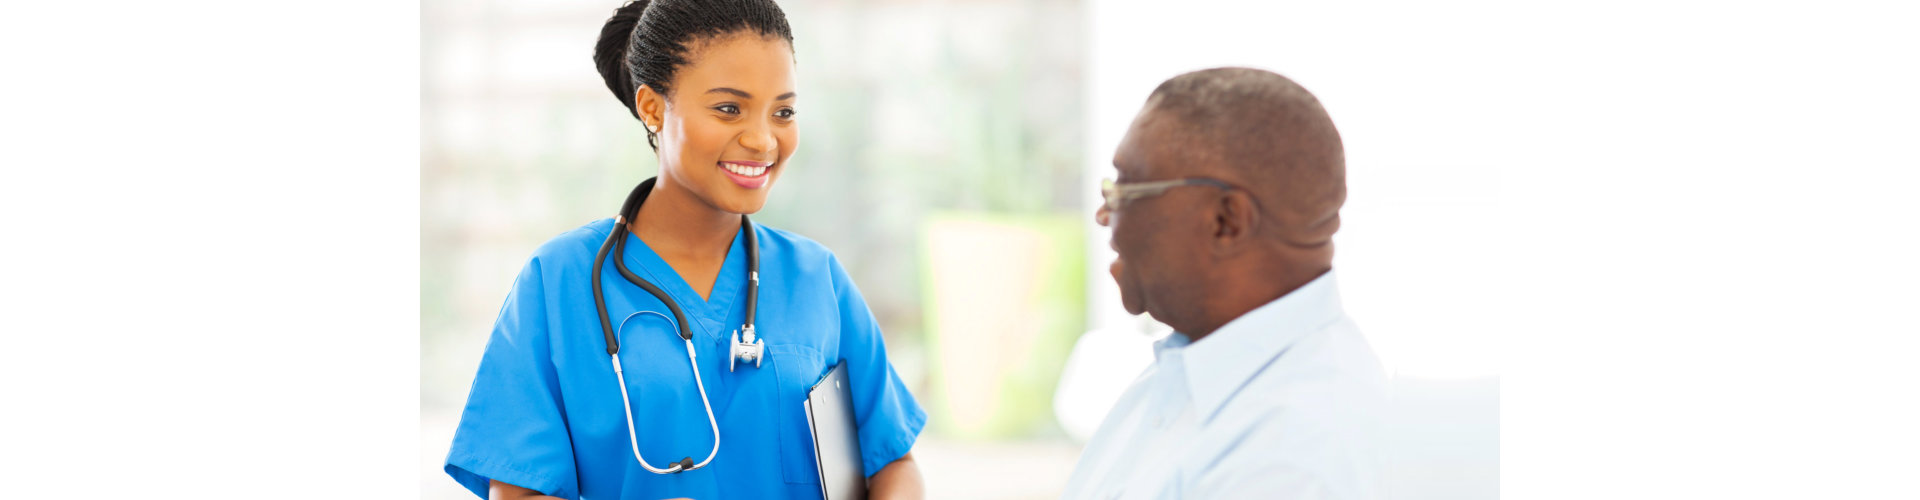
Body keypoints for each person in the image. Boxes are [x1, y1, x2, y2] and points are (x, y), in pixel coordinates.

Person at [443, 1, 926, 498]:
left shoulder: (815, 277)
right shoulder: (558, 281)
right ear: (653, 107)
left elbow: (892, 464)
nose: (762, 140)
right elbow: (518, 491)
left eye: (782, 111)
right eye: (728, 108)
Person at [1062, 67, 1387, 499]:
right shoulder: (1191, 365)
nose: (1105, 215)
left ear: (1225, 221)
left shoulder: (1294, 449)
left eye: (1126, 190)